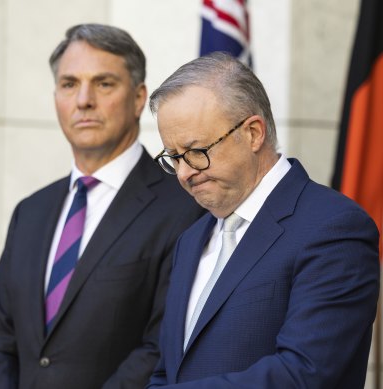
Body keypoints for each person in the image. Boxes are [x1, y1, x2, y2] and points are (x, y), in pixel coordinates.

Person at [0, 23, 204, 389]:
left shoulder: (184, 207)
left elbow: (160, 345)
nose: (84, 100)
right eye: (69, 84)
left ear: (140, 97)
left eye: (104, 83)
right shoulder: (29, 212)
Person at [147, 52, 380, 388]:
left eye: (196, 152)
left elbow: (305, 373)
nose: (183, 174)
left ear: (253, 133)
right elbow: (166, 371)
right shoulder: (190, 239)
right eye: (174, 158)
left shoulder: (333, 228)